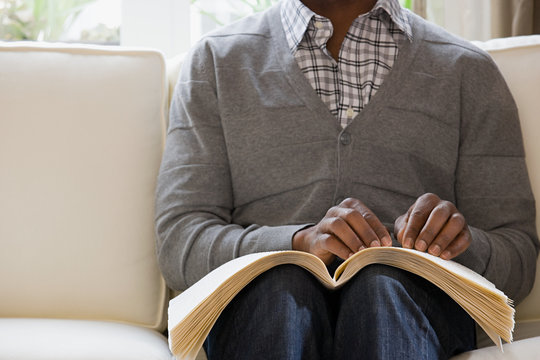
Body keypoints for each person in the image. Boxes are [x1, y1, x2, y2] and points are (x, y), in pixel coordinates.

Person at [155, 0, 539, 358]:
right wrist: (295, 243)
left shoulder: (468, 69)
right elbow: (179, 242)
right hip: (264, 307)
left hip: (413, 304)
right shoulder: (215, 63)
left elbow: (518, 258)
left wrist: (454, 244)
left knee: (381, 287)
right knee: (281, 288)